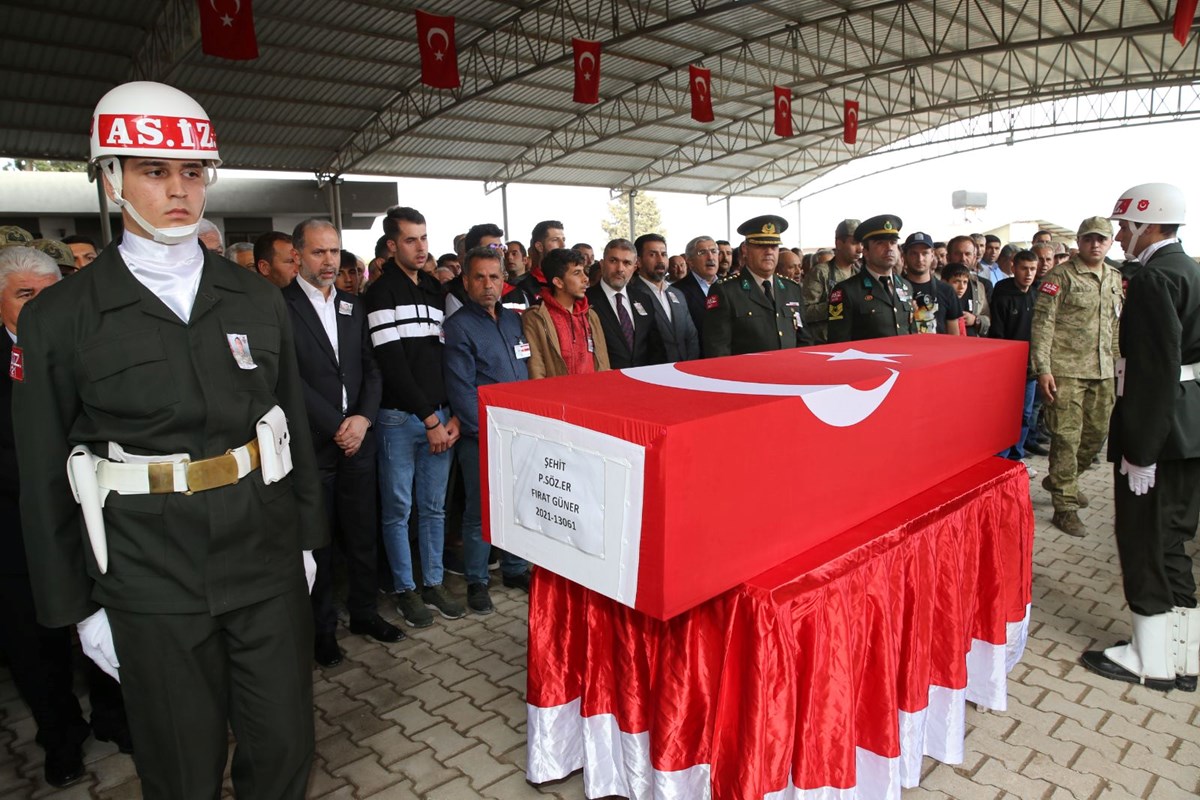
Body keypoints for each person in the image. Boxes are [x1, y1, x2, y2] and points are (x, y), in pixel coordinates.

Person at [12, 81, 324, 800]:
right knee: (181, 768)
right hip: (148, 570)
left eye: (192, 172)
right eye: (154, 171)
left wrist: (308, 542)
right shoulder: (60, 317)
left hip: (264, 553)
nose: (179, 190)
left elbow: (290, 429)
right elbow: (45, 476)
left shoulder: (256, 298)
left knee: (285, 748)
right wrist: (78, 610)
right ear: (112, 179)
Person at [1, 247, 133, 787]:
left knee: (104, 622)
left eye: (48, 294)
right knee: (37, 642)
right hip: (18, 528)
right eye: (24, 294)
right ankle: (59, 737)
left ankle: (114, 716)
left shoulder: (90, 347)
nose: (38, 305)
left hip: (94, 518)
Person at [1081, 183, 1200, 692]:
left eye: (1125, 227)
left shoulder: (1154, 278)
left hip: (1159, 428)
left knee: (1144, 538)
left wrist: (1141, 450)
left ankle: (1149, 659)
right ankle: (1184, 656)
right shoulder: (1190, 270)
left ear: (1146, 225)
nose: (1120, 236)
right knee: (1173, 539)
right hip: (1189, 425)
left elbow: (1153, 369)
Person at [284, 219, 402, 669]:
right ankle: (322, 630)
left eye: (334, 251)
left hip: (359, 440)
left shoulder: (354, 305)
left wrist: (363, 419)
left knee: (362, 532)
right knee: (319, 543)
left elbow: (372, 368)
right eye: (319, 252)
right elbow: (287, 378)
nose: (330, 261)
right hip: (314, 444)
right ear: (297, 255)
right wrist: (337, 424)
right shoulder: (280, 306)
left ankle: (365, 613)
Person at [364, 206, 466, 626]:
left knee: (434, 508)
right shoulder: (379, 293)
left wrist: (452, 413)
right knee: (398, 510)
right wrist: (430, 419)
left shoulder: (433, 289)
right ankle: (405, 589)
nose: (421, 247)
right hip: (400, 420)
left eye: (424, 238)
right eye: (410, 240)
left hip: (441, 418)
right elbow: (392, 365)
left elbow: (447, 358)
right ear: (392, 245)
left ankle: (434, 583)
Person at [443, 247, 533, 613]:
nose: (487, 284)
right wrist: (487, 433)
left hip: (519, 430)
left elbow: (525, 370)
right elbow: (461, 389)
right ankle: (477, 581)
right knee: (480, 510)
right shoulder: (458, 326)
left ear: (503, 280)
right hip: (480, 435)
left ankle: (514, 568)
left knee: (516, 503)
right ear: (465, 281)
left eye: (494, 277)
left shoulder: (513, 321)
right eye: (479, 277)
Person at [1029, 215, 1121, 537]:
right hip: (1066, 371)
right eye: (1089, 239)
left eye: (1101, 239)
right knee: (1066, 438)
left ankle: (1060, 479)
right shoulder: (1060, 276)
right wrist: (1043, 369)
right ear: (1079, 242)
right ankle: (1065, 505)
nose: (1095, 244)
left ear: (1110, 243)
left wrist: (1117, 364)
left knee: (1096, 436)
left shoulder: (1114, 276)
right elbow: (1043, 325)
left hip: (1102, 371)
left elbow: (1114, 326)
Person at [703, 215, 812, 357]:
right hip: (746, 371)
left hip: (789, 368)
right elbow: (718, 348)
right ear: (745, 249)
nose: (769, 252)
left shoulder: (792, 288)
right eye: (761, 246)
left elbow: (804, 338)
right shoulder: (725, 291)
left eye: (774, 246)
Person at [826, 215, 916, 342]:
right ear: (866, 252)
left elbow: (912, 333)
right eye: (880, 243)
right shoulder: (846, 291)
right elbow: (838, 342)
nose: (889, 248)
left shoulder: (905, 286)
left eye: (893, 242)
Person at [989, 249, 1040, 471]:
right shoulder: (1003, 293)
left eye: (1032, 269)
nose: (1028, 274)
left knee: (1025, 414)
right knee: (1004, 415)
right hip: (1006, 367)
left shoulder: (1038, 294)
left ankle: (1016, 458)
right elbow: (997, 334)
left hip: (1030, 367)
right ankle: (1000, 460)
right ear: (1013, 268)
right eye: (1024, 268)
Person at [522, 248, 609, 378]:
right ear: (558, 282)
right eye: (577, 273)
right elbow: (536, 368)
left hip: (593, 389)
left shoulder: (590, 315)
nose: (585, 278)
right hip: (556, 390)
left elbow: (603, 362)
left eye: (584, 272)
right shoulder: (536, 317)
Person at [587, 238, 665, 368]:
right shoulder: (586, 300)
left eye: (627, 263)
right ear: (602, 264)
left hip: (642, 376)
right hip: (605, 378)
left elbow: (655, 347)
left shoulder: (644, 299)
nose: (620, 269)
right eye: (613, 261)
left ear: (634, 268)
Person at [631, 233, 699, 362]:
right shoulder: (632, 295)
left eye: (664, 254)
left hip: (684, 368)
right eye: (653, 254)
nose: (660, 260)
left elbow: (691, 336)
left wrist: (689, 365)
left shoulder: (677, 294)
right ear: (638, 261)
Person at [801, 218, 860, 343]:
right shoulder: (821, 273)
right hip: (825, 344)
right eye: (854, 243)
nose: (860, 249)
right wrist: (836, 306)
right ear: (839, 244)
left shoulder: (859, 274)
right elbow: (804, 311)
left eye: (862, 244)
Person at [901, 230, 961, 335]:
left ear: (932, 255)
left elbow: (954, 334)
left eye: (925, 253)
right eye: (914, 253)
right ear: (904, 256)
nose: (920, 259)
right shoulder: (896, 289)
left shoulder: (946, 290)